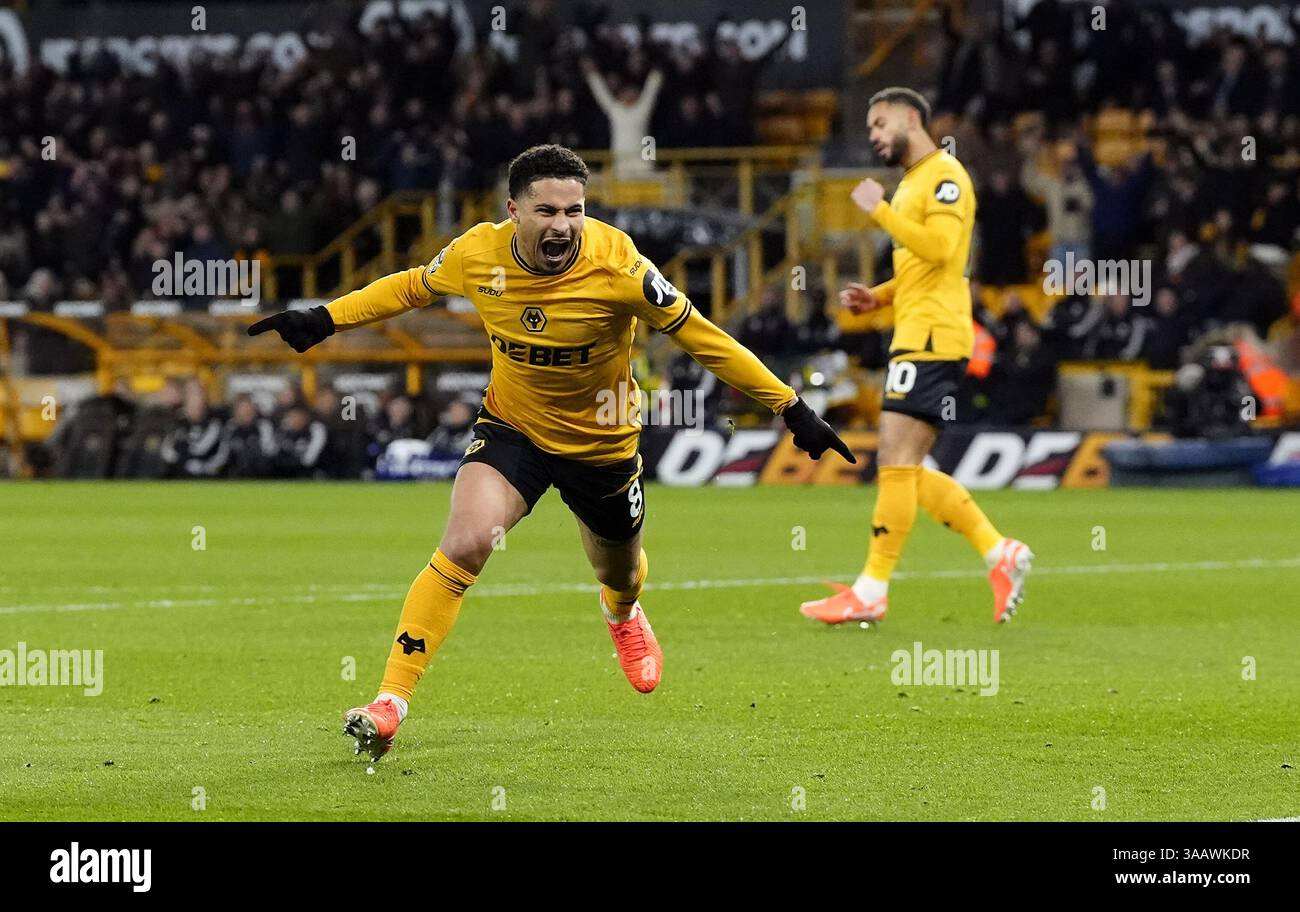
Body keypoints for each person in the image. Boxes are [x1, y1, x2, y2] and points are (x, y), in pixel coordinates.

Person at [249, 144, 852, 762]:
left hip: (602, 446)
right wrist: (326, 318)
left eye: (575, 211)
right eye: (547, 211)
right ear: (513, 210)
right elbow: (410, 287)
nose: (563, 225)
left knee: (618, 571)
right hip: (515, 432)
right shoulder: (476, 254)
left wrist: (791, 408)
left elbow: (705, 338)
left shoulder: (621, 265)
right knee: (467, 543)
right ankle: (389, 702)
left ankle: (622, 612)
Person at [797, 87, 1034, 628]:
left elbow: (943, 251)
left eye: (880, 123)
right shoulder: (914, 182)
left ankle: (873, 590)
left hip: (933, 338)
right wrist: (878, 297)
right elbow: (921, 269)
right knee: (905, 466)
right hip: (918, 331)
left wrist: (877, 210)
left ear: (911, 118)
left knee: (895, 463)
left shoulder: (945, 176)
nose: (875, 135)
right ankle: (1000, 554)